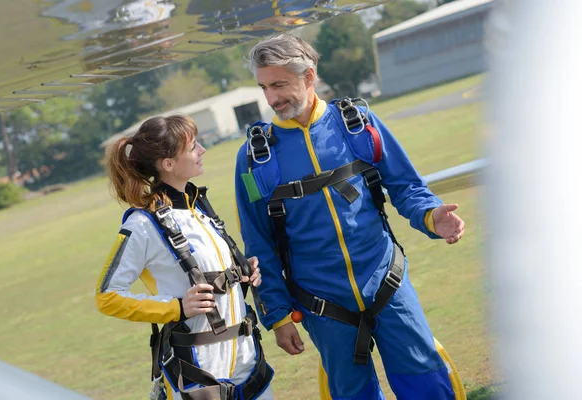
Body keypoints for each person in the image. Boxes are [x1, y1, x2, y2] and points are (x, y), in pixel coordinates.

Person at [234, 33, 466, 400]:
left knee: (427, 382)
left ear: (309, 76)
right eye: (264, 87)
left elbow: (406, 186)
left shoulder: (357, 122)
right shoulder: (251, 158)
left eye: (279, 84)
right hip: (321, 304)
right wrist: (277, 315)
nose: (272, 98)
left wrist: (430, 214)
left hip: (387, 281)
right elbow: (257, 241)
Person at [95, 115, 274, 400]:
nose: (202, 150)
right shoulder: (142, 225)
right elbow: (107, 296)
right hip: (198, 376)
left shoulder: (199, 208)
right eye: (193, 147)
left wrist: (241, 273)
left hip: (249, 365)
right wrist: (176, 307)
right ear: (168, 164)